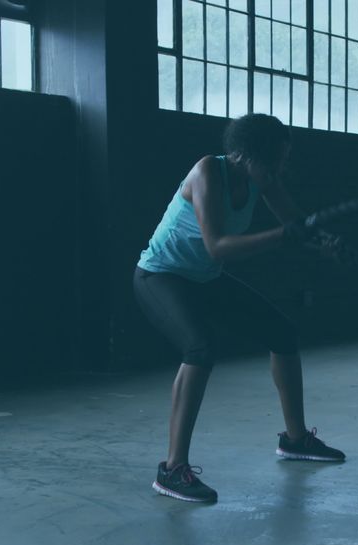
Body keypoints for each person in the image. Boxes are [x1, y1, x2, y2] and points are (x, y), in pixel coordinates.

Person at [134, 113, 346, 503]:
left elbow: (296, 225)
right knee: (199, 348)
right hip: (160, 276)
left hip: (203, 278)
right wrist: (287, 236)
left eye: (283, 161)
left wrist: (323, 242)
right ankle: (172, 469)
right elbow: (219, 246)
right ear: (245, 156)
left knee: (283, 333)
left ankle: (295, 440)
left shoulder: (263, 180)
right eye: (274, 161)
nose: (279, 170)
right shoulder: (207, 174)